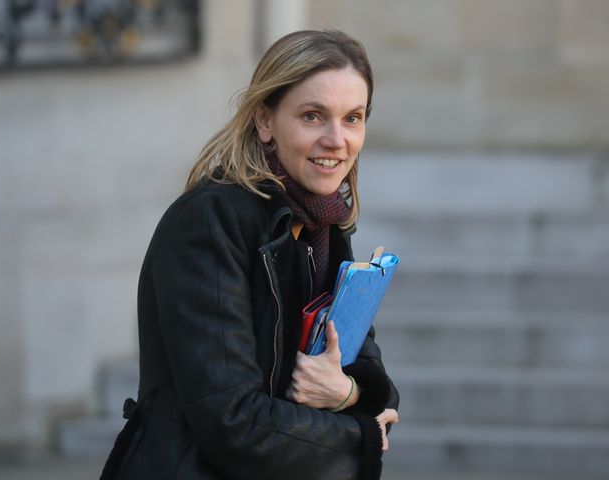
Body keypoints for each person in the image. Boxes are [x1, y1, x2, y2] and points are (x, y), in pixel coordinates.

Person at [101, 30, 399, 480]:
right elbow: (232, 419)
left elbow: (365, 366)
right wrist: (361, 436)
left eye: (353, 118)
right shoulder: (211, 221)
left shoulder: (320, 224)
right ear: (265, 122)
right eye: (313, 116)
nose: (337, 140)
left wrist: (347, 394)